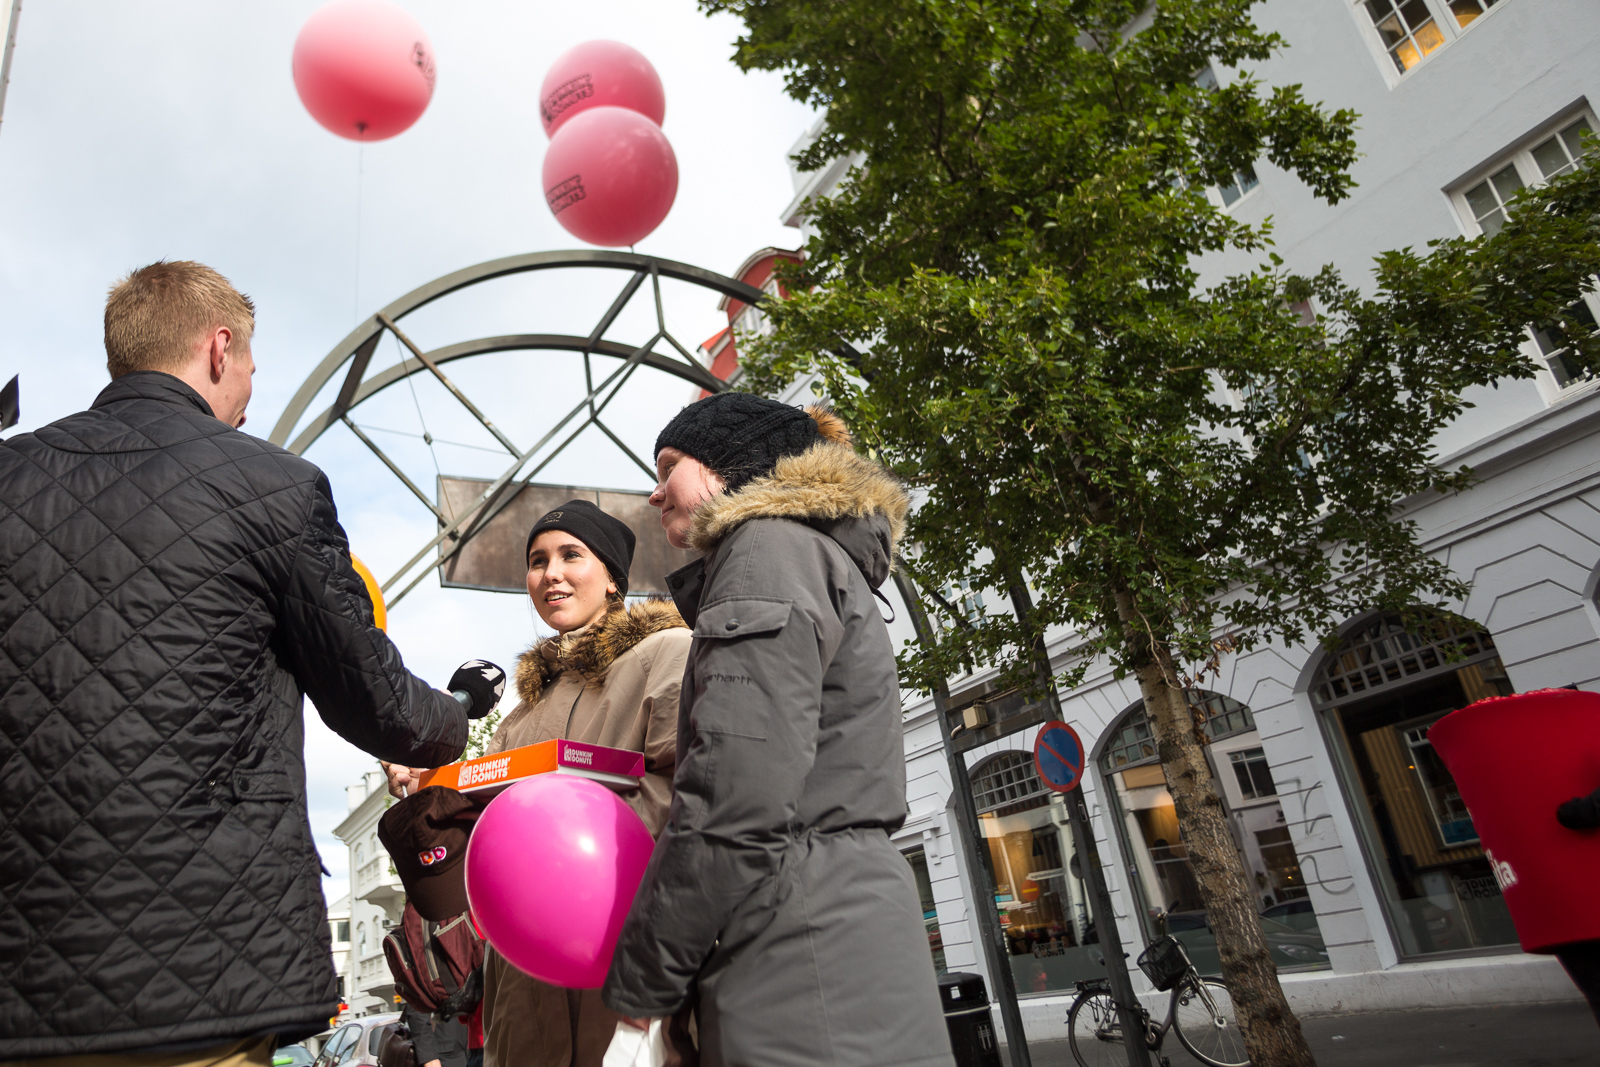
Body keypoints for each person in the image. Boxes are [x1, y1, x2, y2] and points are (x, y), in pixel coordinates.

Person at [0, 261, 491, 1065]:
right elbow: (378, 702)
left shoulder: (11, 474)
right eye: (253, 367)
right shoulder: (274, 488)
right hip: (206, 968)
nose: (251, 392)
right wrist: (460, 713)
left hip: (25, 978)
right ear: (219, 347)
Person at [602, 392, 955, 1067]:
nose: (654, 493)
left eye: (669, 464)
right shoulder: (814, 556)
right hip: (839, 929)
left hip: (797, 943)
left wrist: (646, 975)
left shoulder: (764, 550)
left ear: (728, 467)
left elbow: (735, 796)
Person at [385, 500, 691, 1067]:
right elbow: (482, 849)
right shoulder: (520, 717)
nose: (550, 573)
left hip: (627, 969)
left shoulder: (668, 655)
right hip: (523, 997)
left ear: (613, 580)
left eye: (571, 555)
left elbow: (689, 797)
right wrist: (429, 791)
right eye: (537, 560)